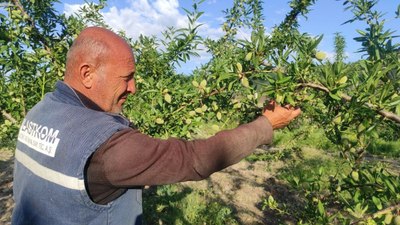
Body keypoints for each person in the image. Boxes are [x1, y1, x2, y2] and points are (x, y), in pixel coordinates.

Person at [11, 27, 301, 225]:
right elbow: (194, 160)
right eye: (127, 77)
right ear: (87, 74)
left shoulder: (41, 111)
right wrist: (266, 124)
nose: (133, 88)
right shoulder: (106, 146)